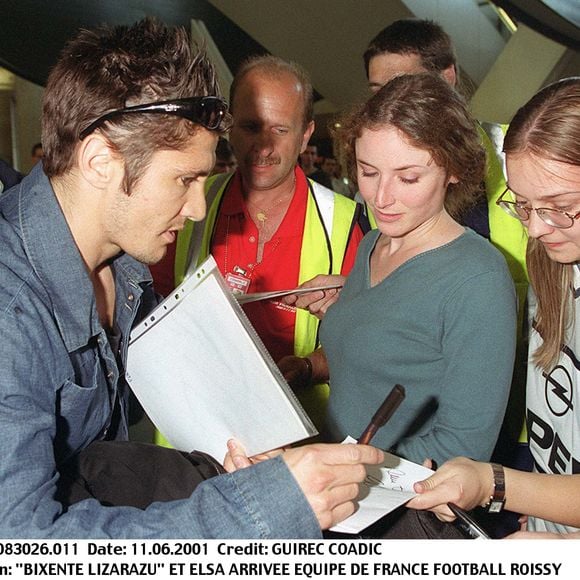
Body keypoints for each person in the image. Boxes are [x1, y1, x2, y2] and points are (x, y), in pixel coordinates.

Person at [0, 18, 384, 539]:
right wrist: (256, 512)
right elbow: (25, 545)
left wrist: (235, 440)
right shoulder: (10, 309)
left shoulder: (125, 269)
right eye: (184, 179)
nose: (199, 208)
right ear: (99, 161)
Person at [286, 74, 517, 470]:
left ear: (454, 170)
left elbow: (463, 448)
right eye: (368, 171)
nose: (381, 197)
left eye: (408, 177)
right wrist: (307, 368)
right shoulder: (374, 244)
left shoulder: (480, 279)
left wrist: (342, 466)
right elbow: (375, 362)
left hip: (387, 501)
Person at [407, 77, 580, 539]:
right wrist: (543, 502)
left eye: (560, 206)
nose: (538, 228)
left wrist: (497, 484)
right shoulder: (553, 259)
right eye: (522, 205)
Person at [174, 55, 364, 428]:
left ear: (306, 134)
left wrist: (309, 368)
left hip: (298, 437)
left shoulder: (341, 224)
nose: (262, 147)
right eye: (250, 127)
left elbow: (364, 342)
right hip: (197, 435)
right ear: (228, 127)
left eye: (279, 130)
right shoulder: (187, 207)